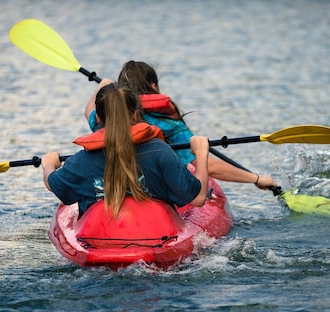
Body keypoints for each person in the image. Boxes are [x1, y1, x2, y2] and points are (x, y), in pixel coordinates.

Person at [83, 61, 278, 190]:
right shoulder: (168, 124)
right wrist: (257, 179)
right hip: (158, 190)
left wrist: (104, 84)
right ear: (153, 86)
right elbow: (209, 167)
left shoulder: (107, 119)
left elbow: (89, 109)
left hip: (114, 188)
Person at [42, 83, 210, 217]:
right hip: (154, 236)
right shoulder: (160, 152)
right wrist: (201, 154)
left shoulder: (81, 161)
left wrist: (48, 165)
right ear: (135, 115)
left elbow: (52, 183)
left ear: (98, 118)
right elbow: (199, 198)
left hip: (100, 238)